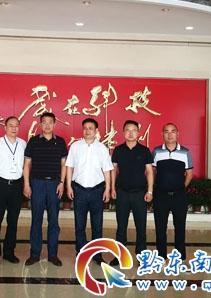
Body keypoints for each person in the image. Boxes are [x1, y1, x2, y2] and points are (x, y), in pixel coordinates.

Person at [65, 118, 113, 265]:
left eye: (90, 128)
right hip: (79, 190)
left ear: (96, 131)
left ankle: (97, 255)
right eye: (85, 128)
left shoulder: (102, 148)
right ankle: (81, 252)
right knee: (79, 224)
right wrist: (68, 186)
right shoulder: (75, 146)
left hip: (97, 191)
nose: (87, 130)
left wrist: (108, 189)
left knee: (97, 225)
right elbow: (69, 167)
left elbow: (107, 170)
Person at [23, 112, 68, 267]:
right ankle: (35, 254)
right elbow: (26, 165)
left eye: (50, 122)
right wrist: (27, 184)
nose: (47, 125)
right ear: (40, 124)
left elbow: (64, 165)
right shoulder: (33, 141)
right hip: (37, 183)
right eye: (44, 122)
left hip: (54, 183)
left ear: (54, 124)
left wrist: (62, 183)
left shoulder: (60, 142)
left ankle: (52, 254)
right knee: (36, 219)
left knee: (53, 220)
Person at [110, 120, 154, 266]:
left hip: (139, 194)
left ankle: (142, 257)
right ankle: (120, 256)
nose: (130, 133)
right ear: (123, 132)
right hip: (122, 193)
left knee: (141, 227)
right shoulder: (118, 150)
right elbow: (113, 170)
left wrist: (150, 191)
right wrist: (112, 188)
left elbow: (149, 171)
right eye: (128, 130)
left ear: (138, 133)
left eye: (133, 130)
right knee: (121, 227)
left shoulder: (144, 150)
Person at [0, 116, 27, 266]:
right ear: (5, 127)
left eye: (16, 126)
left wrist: (25, 184)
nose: (14, 128)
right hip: (0, 185)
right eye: (11, 125)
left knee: (13, 221)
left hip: (16, 186)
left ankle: (9, 252)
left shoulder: (23, 144)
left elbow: (25, 166)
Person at [151, 122, 193, 268]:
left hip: (179, 196)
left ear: (177, 134)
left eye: (172, 131)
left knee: (180, 227)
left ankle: (181, 259)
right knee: (160, 228)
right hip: (161, 195)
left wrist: (181, 187)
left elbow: (189, 173)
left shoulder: (185, 152)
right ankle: (161, 258)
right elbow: (152, 172)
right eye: (166, 131)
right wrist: (156, 186)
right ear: (162, 134)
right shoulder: (156, 152)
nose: (170, 135)